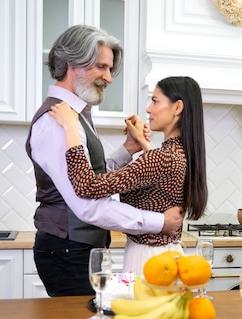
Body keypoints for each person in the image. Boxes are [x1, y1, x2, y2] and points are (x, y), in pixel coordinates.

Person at [26, 25, 183, 297]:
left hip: (78, 248)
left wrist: (127, 149)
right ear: (72, 64)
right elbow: (87, 205)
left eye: (109, 69)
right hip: (67, 250)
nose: (108, 78)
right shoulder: (57, 122)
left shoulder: (75, 114)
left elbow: (90, 178)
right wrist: (160, 222)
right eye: (101, 67)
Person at [50, 76, 208, 277]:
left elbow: (86, 186)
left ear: (177, 108)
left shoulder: (161, 158)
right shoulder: (180, 153)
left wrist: (70, 128)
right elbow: (159, 183)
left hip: (149, 260)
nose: (149, 109)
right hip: (166, 255)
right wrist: (140, 143)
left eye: (155, 101)